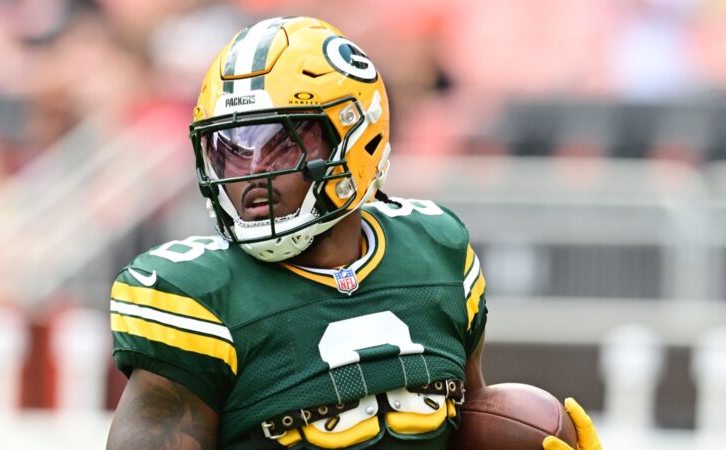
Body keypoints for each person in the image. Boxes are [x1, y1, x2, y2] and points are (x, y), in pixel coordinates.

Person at [106, 16, 601, 450]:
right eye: (230, 147)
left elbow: (463, 422)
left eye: (281, 143)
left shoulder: (437, 252)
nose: (250, 172)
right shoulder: (193, 297)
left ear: (354, 139)